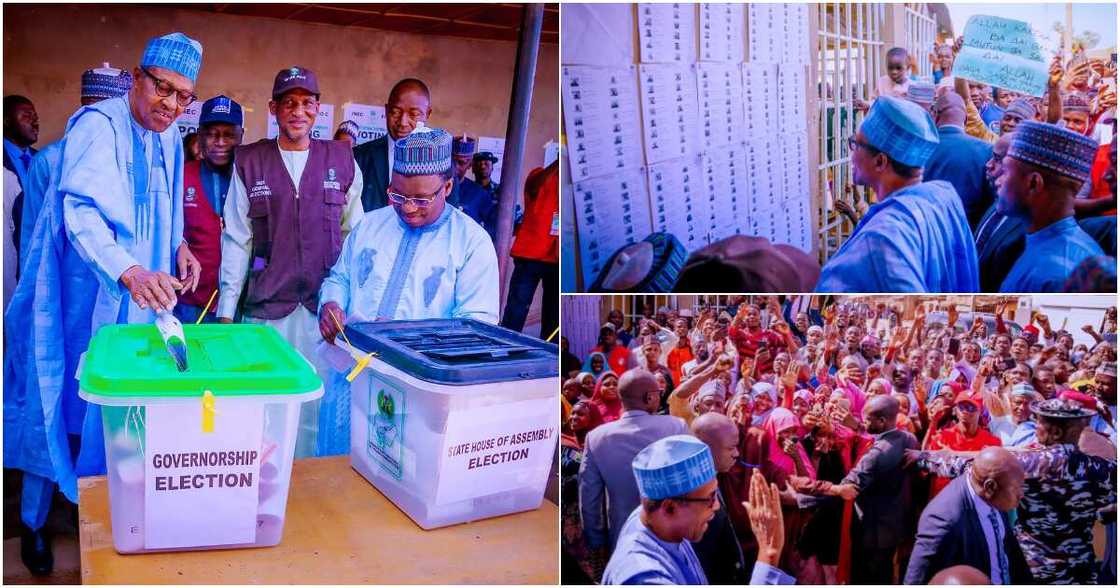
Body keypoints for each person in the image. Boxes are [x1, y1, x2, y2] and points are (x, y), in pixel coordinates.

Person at [3, 32, 203, 576]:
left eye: (184, 96)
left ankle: (107, 521)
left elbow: (162, 208)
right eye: (162, 88)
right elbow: (83, 216)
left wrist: (179, 247)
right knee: (57, 402)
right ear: (138, 79)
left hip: (138, 303)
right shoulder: (98, 125)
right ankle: (35, 524)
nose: (171, 103)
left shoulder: (167, 135)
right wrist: (129, 270)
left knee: (120, 411)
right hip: (79, 300)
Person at [316, 124, 498, 454]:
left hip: (415, 392)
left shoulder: (471, 243)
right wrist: (330, 304)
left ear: (447, 186)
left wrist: (403, 343)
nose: (408, 207)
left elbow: (477, 330)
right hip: (351, 380)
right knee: (338, 467)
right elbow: (339, 278)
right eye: (398, 195)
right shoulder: (370, 225)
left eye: (420, 198)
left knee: (396, 475)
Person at [218, 66, 364, 458]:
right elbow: (236, 238)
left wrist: (354, 304)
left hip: (324, 312)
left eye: (306, 103)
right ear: (273, 108)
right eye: (288, 103)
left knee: (321, 404)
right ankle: (267, 488)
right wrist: (227, 313)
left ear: (318, 109)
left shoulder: (342, 159)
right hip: (269, 310)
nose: (297, 112)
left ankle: (312, 491)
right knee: (268, 406)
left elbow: (357, 238)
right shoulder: (250, 162)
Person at [914, 398, 1117, 583]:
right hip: (1081, 567)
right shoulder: (1103, 469)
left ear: (1055, 432)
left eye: (1038, 422)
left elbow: (975, 468)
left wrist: (921, 458)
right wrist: (1100, 512)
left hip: (1036, 568)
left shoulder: (1031, 463)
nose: (1035, 427)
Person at [815, 96, 979, 292]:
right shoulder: (943, 195)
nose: (852, 153)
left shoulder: (882, 238)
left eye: (856, 144)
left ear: (880, 162)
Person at [602, 435, 795, 585]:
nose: (717, 506)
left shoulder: (653, 520)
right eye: (710, 499)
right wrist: (769, 554)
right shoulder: (644, 577)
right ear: (669, 508)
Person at [789, 395, 919, 584]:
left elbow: (844, 488)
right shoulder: (909, 438)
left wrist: (801, 495)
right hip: (894, 527)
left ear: (882, 421)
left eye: (867, 419)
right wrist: (858, 426)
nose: (861, 422)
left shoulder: (875, 456)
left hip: (871, 533)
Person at [19, 64, 132, 258]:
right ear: (84, 106)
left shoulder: (134, 159)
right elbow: (31, 234)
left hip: (125, 270)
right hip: (68, 273)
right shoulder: (48, 160)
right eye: (96, 109)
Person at [579, 369, 688, 557]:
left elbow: (589, 499)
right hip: (676, 538)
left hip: (624, 541)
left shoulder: (596, 438)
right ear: (649, 397)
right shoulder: (676, 427)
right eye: (658, 394)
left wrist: (596, 541)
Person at [995, 121, 1104, 291]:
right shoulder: (1045, 241)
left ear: (1033, 183)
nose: (998, 180)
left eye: (1006, 172)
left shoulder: (1056, 276)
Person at [905, 446, 1031, 584]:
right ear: (990, 487)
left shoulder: (993, 492)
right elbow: (917, 580)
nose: (1021, 495)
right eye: (1017, 488)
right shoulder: (944, 520)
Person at [175, 95, 243, 324]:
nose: (220, 142)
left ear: (241, 136)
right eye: (212, 134)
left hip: (238, 305)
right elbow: (166, 229)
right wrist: (180, 244)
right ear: (200, 137)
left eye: (228, 135)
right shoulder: (181, 176)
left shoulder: (253, 178)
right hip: (188, 302)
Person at [353, 78, 458, 211]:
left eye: (414, 114)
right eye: (395, 112)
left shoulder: (444, 163)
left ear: (427, 114)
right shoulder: (359, 157)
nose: (403, 122)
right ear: (386, 110)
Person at [500, 160, 558, 339]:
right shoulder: (538, 174)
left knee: (553, 315)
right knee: (516, 309)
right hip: (530, 255)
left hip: (556, 259)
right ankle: (506, 347)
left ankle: (548, 353)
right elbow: (534, 186)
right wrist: (557, 165)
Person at [690, 413, 750, 584]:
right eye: (730, 448)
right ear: (705, 448)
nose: (737, 454)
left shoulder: (713, 480)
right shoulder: (694, 501)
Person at [925, 92, 996, 229]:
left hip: (925, 232)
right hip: (968, 233)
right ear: (966, 120)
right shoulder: (986, 150)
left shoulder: (920, 148)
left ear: (935, 116)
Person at [925, 392, 1003, 497]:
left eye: (971, 407)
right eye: (962, 407)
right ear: (956, 410)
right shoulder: (942, 437)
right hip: (946, 498)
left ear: (980, 411)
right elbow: (928, 466)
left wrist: (954, 455)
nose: (965, 411)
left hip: (977, 499)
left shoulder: (992, 442)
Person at [3, 94, 39, 266]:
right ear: (6, 121)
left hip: (37, 250)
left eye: (35, 117)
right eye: (26, 116)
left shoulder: (41, 159)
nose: (35, 122)